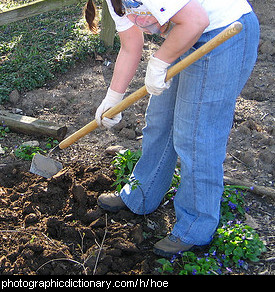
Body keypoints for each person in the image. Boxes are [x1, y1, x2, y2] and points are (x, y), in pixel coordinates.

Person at [84, 0, 259, 258]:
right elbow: (130, 47)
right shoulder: (114, 2)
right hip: (185, 32)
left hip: (223, 33)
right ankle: (142, 193)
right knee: (159, 121)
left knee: (196, 136)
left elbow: (197, 20)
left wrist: (158, 63)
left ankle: (195, 227)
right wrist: (113, 99)